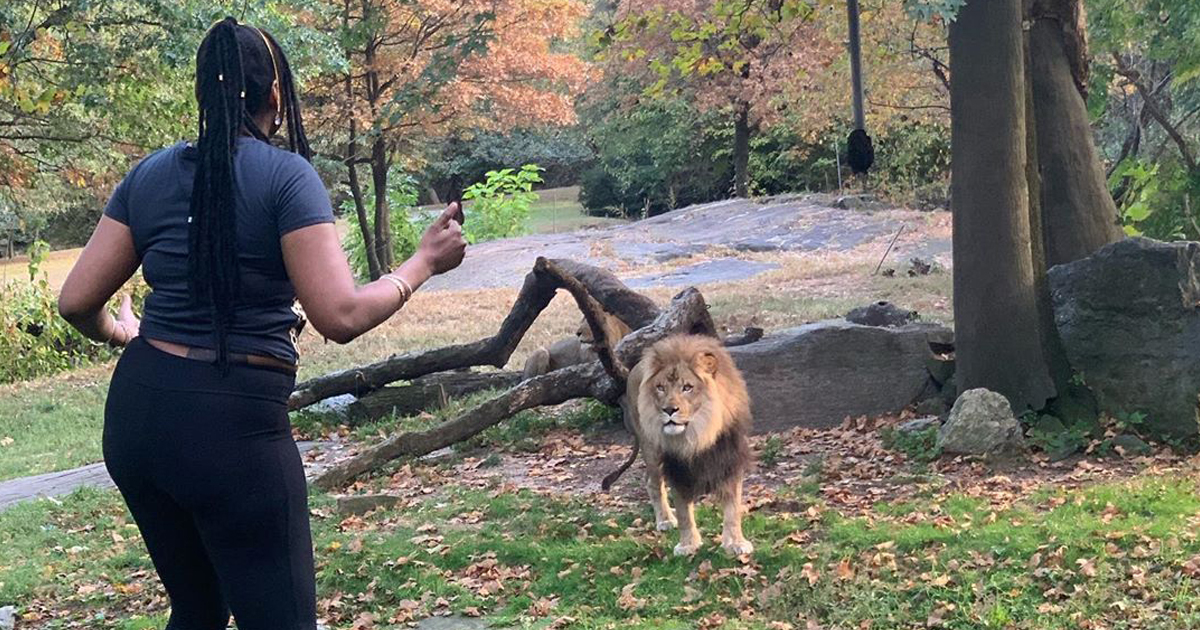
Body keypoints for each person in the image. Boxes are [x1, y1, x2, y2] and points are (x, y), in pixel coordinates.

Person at [57, 17, 466, 630]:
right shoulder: (286, 176)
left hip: (137, 420)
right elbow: (341, 315)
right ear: (276, 96)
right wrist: (423, 263)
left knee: (197, 608)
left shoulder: (148, 175)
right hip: (231, 432)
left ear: (203, 94)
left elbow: (74, 302)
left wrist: (124, 334)